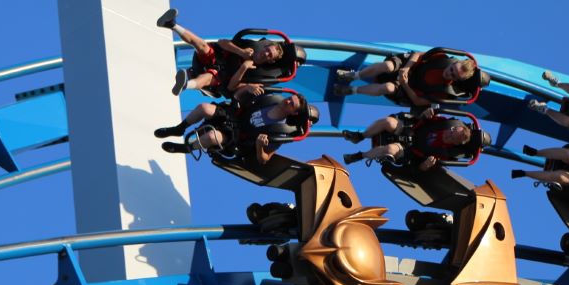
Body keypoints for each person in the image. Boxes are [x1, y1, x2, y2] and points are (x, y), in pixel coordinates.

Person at [154, 88, 316, 164]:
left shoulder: (280, 132)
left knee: (211, 137)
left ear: (293, 113)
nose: (287, 101)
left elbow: (264, 159)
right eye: (290, 98)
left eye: (291, 104)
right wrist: (247, 88)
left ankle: (185, 148)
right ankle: (179, 128)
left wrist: (260, 146)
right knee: (204, 107)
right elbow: (238, 96)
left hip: (238, 137)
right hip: (234, 117)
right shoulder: (270, 98)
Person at [156, 8, 286, 96]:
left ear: (271, 60)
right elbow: (222, 42)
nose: (266, 53)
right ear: (264, 47)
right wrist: (241, 52)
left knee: (209, 77)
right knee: (203, 45)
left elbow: (231, 87)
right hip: (216, 59)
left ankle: (185, 84)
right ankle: (171, 24)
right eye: (267, 50)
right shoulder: (250, 46)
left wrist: (244, 67)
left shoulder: (259, 75)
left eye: (270, 55)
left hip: (220, 80)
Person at [341, 109, 482, 170]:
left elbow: (419, 168)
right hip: (411, 129)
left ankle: (359, 156)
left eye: (452, 137)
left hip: (410, 151)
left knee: (390, 149)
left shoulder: (443, 155)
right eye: (452, 131)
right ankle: (360, 136)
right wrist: (425, 114)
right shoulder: (443, 122)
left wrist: (424, 166)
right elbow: (421, 117)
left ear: (455, 144)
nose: (449, 134)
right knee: (388, 122)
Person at [334, 49, 481, 106]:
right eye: (451, 69)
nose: (449, 73)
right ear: (453, 63)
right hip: (409, 67)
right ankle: (353, 75)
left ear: (457, 80)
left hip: (408, 88)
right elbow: (417, 54)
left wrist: (405, 84)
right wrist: (407, 67)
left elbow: (418, 101)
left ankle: (351, 90)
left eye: (453, 75)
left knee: (388, 87)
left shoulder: (444, 92)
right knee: (388, 66)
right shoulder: (442, 58)